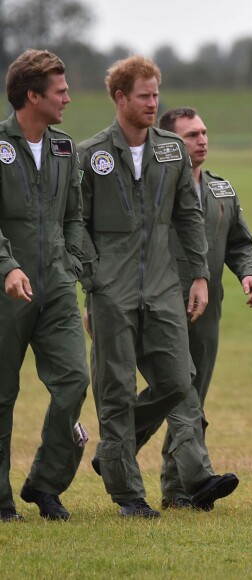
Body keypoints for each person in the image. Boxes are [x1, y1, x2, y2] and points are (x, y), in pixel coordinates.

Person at [78, 56, 209, 518]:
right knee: (114, 389)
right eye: (144, 96)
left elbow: (189, 215)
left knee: (178, 380)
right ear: (120, 98)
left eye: (156, 94)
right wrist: (93, 283)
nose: (154, 103)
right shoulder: (90, 154)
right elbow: (77, 224)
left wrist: (198, 275)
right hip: (111, 291)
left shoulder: (172, 150)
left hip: (162, 287)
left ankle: (111, 453)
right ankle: (129, 495)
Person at [0, 50, 89, 522]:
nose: (68, 99)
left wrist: (70, 262)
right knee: (1, 395)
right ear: (32, 95)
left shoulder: (63, 148)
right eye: (59, 92)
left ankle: (45, 482)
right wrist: (7, 268)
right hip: (4, 290)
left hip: (55, 287)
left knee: (75, 379)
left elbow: (73, 214)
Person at [157, 107, 252, 510]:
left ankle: (176, 488)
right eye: (190, 136)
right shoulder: (154, 192)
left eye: (203, 133)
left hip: (208, 308)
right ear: (167, 144)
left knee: (193, 396)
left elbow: (241, 243)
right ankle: (196, 479)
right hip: (163, 303)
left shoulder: (222, 190)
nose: (201, 141)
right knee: (181, 390)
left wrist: (248, 273)